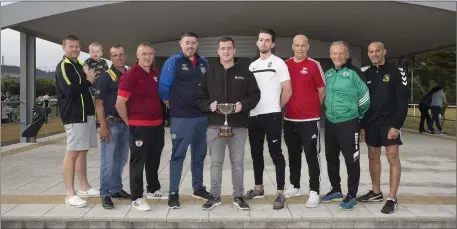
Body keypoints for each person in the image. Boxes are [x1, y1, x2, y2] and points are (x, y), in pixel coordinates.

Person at [196, 36, 261, 211]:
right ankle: (215, 196)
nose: (226, 51)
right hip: (215, 125)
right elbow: (199, 98)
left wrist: (243, 105)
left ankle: (238, 196)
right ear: (218, 51)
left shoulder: (245, 72)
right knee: (216, 163)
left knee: (238, 163)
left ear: (234, 50)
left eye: (229, 48)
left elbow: (255, 95)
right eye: (223, 48)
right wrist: (209, 106)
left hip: (238, 125)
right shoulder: (209, 73)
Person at [159, 32, 212, 209]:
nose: (191, 46)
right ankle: (173, 192)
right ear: (180, 44)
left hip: (201, 118)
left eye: (194, 43)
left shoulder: (204, 62)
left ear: (197, 45)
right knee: (178, 156)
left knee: (199, 155)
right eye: (187, 43)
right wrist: (175, 109)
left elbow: (210, 88)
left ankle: (198, 187)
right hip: (181, 119)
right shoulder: (172, 61)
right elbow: (164, 89)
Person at [243, 29, 292, 210]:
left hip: (272, 115)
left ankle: (280, 192)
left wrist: (276, 107)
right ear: (257, 43)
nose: (263, 43)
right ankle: (258, 189)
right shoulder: (252, 66)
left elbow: (287, 90)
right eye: (261, 40)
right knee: (256, 154)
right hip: (253, 115)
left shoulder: (279, 64)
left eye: (267, 40)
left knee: (275, 153)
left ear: (272, 44)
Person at [357, 41, 409, 214]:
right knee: (373, 156)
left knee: (392, 157)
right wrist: (362, 125)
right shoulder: (365, 73)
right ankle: (376, 192)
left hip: (390, 123)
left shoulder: (397, 71)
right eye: (370, 51)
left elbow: (403, 100)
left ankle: (392, 198)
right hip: (371, 123)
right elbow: (362, 100)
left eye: (377, 51)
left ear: (384, 51)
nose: (374, 54)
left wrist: (396, 125)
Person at [116, 42, 167, 211]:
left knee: (154, 159)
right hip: (139, 126)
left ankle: (152, 188)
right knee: (138, 162)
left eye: (150, 54)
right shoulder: (130, 75)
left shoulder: (155, 74)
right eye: (144, 54)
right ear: (137, 55)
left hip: (157, 125)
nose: (147, 57)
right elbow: (120, 103)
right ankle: (136, 197)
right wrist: (128, 122)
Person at [320, 41, 370, 211]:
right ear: (330, 55)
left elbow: (365, 98)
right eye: (334, 53)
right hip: (331, 122)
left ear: (346, 55)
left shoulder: (354, 73)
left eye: (340, 53)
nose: (337, 57)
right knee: (331, 158)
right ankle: (336, 190)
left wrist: (360, 119)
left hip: (349, 123)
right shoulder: (327, 74)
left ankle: (352, 195)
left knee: (351, 160)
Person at [55, 34, 99, 208]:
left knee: (83, 151)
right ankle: (69, 193)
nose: (75, 49)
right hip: (74, 115)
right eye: (71, 46)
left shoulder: (80, 65)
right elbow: (71, 90)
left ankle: (84, 187)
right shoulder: (64, 66)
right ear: (64, 48)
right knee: (73, 152)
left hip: (87, 114)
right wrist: (88, 81)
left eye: (77, 46)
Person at [283, 34, 325, 208]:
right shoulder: (285, 65)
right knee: (293, 155)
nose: (300, 48)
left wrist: (312, 109)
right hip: (289, 119)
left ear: (308, 47)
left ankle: (314, 191)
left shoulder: (314, 65)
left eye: (303, 45)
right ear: (292, 46)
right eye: (297, 45)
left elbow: (322, 91)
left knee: (311, 156)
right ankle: (295, 186)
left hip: (309, 121)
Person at [94, 44, 131, 209]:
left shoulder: (129, 75)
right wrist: (102, 126)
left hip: (126, 125)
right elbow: (99, 103)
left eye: (121, 55)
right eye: (115, 55)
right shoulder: (106, 77)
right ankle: (105, 193)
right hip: (111, 124)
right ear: (111, 58)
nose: (119, 58)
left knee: (121, 160)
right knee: (108, 161)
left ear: (125, 56)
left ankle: (116, 189)